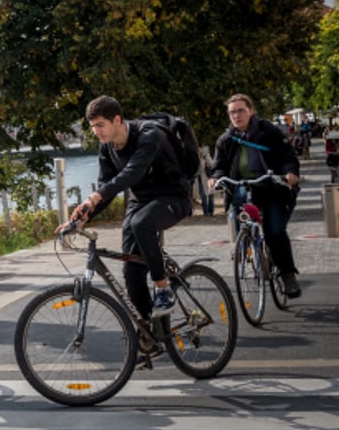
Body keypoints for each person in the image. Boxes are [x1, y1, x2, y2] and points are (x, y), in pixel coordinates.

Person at [62, 96, 192, 324]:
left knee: (141, 223)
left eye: (101, 125)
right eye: (92, 127)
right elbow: (107, 187)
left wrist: (94, 196)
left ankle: (163, 289)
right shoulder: (107, 148)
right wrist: (83, 218)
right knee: (132, 276)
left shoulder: (149, 135)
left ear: (117, 120)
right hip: (140, 201)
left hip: (173, 196)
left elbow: (133, 172)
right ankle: (149, 337)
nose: (96, 132)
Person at [208, 94, 302, 298]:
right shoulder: (226, 139)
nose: (236, 115)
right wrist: (215, 178)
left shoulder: (268, 132)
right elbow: (219, 166)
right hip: (242, 188)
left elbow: (287, 156)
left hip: (271, 187)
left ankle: (287, 275)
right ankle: (246, 243)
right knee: (239, 218)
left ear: (251, 111)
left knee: (275, 232)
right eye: (232, 112)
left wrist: (289, 173)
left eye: (241, 110)